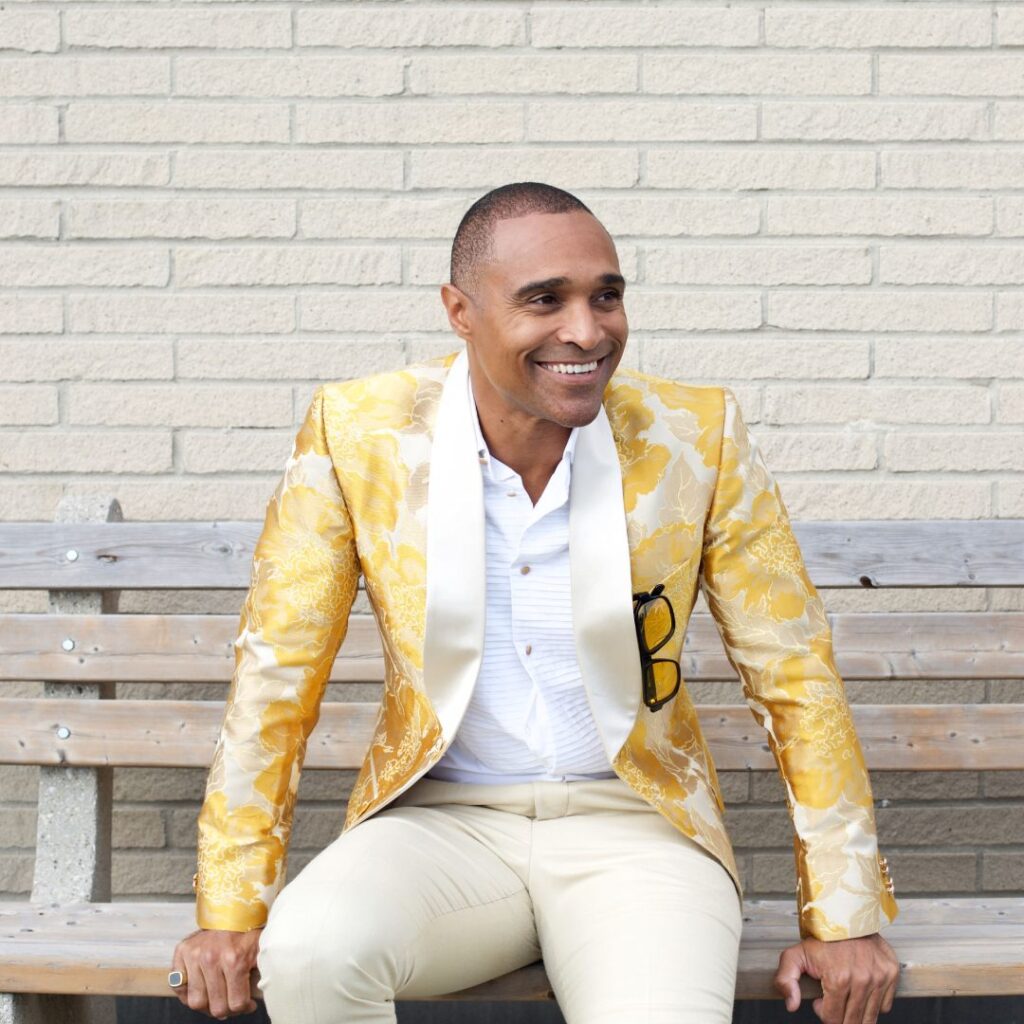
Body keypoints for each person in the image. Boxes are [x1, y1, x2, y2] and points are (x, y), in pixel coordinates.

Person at [170, 181, 901, 1024]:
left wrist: (843, 915)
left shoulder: (696, 433)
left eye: (607, 296)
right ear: (460, 311)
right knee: (308, 956)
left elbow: (795, 674)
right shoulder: (358, 432)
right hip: (440, 827)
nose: (587, 331)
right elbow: (277, 674)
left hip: (639, 831)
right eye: (543, 300)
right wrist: (230, 909)